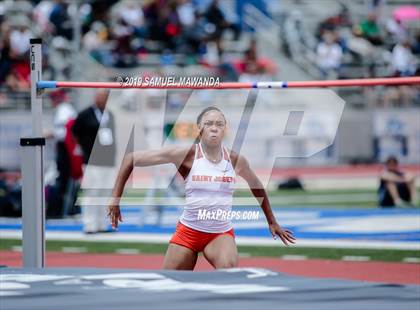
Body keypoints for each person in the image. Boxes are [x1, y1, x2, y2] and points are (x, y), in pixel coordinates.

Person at [108, 106, 295, 270]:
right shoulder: (186, 155)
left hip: (219, 234)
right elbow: (130, 159)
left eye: (219, 124)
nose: (214, 127)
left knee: (230, 275)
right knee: (167, 286)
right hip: (188, 232)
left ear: (225, 129)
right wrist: (115, 199)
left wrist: (271, 221)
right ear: (199, 128)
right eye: (209, 123)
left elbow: (257, 186)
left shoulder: (235, 159)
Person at [72, 89, 116, 234]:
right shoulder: (85, 115)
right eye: (100, 96)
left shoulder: (109, 114)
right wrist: (85, 148)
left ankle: (102, 224)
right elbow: (75, 133)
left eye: (105, 97)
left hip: (107, 160)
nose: (102, 99)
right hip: (91, 159)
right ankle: (90, 224)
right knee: (92, 192)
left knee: (105, 193)